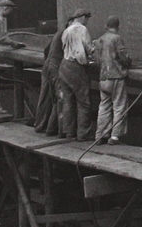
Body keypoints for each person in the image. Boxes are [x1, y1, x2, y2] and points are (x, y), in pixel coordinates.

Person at [55, 8, 94, 140]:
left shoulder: (67, 30)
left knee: (68, 101)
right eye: (87, 18)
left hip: (64, 65)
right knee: (83, 102)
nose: (87, 21)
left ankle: (69, 132)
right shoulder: (82, 29)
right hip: (76, 67)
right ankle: (83, 134)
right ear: (82, 17)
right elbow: (88, 47)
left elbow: (64, 47)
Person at [94, 15, 132, 144]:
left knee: (104, 107)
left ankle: (100, 135)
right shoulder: (117, 38)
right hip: (116, 77)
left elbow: (96, 59)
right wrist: (128, 63)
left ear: (106, 26)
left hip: (103, 77)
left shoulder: (100, 40)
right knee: (119, 106)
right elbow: (123, 56)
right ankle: (115, 136)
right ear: (118, 27)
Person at [32, 20, 65, 135]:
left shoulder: (57, 34)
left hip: (47, 67)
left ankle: (39, 124)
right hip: (55, 67)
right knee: (59, 98)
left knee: (44, 96)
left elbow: (46, 50)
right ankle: (54, 129)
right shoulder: (66, 34)